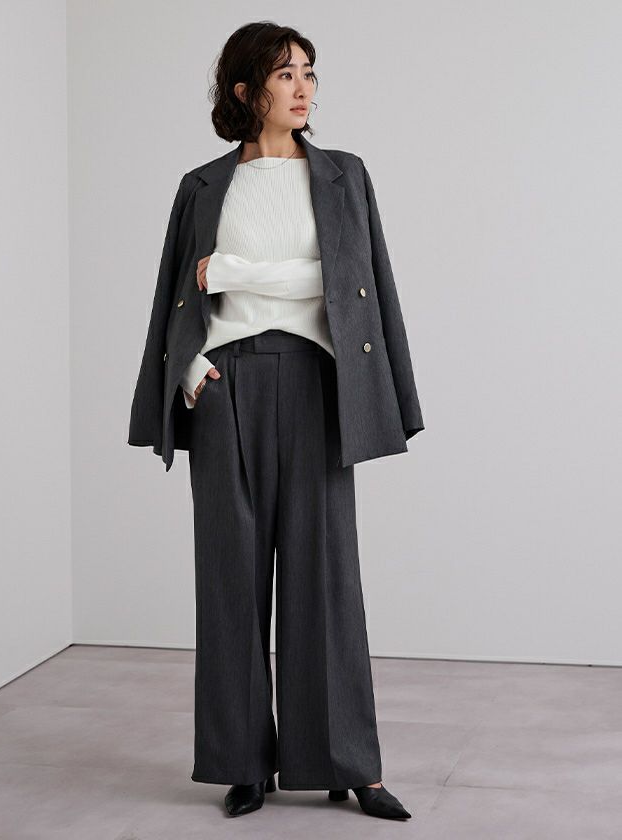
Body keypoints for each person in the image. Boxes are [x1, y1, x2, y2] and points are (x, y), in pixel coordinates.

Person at [128, 21, 424, 822]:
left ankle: (349, 764)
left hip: (318, 384)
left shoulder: (343, 176)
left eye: (310, 73)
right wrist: (190, 370)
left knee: (327, 579)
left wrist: (233, 270)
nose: (305, 88)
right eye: (286, 73)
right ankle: (243, 764)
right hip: (227, 386)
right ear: (245, 89)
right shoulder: (202, 186)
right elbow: (177, 296)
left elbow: (345, 280)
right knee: (230, 578)